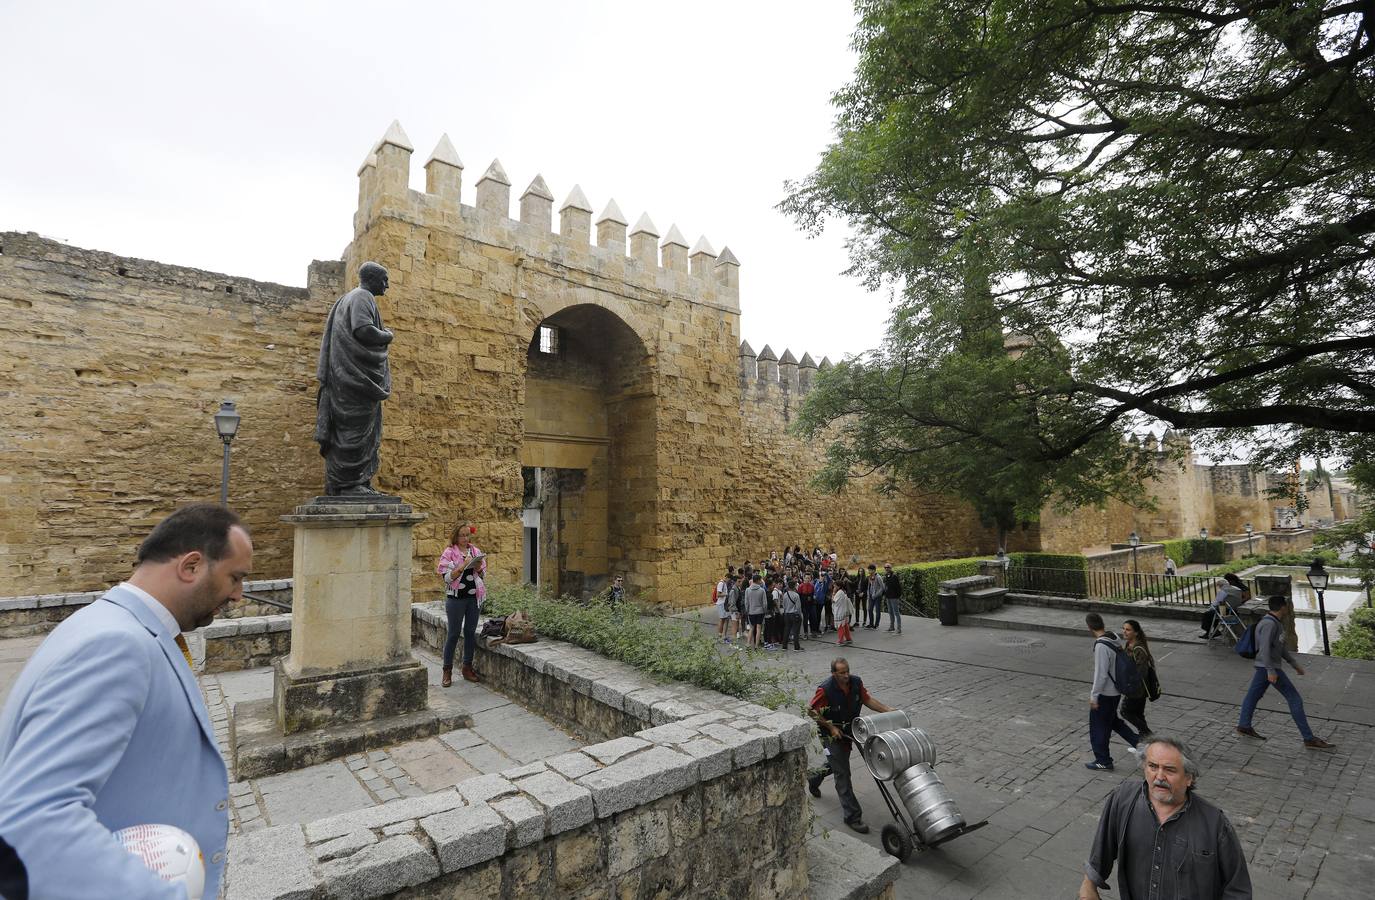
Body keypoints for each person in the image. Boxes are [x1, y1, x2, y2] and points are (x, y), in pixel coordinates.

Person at [0, 504, 252, 898]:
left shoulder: (111, 626)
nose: (238, 595)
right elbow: (34, 817)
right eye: (235, 578)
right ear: (191, 566)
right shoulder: (116, 645)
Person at [1079, 734, 1252, 899]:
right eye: (1153, 767)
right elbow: (1102, 850)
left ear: (1189, 778)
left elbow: (1237, 889)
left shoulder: (1214, 823)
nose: (1159, 777)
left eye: (1169, 770)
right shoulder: (1123, 798)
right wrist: (1088, 886)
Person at [314, 261, 394, 496]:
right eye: (384, 279)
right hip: (355, 381)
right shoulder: (363, 297)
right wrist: (388, 335)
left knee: (348, 431)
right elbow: (363, 330)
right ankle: (350, 484)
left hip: (346, 377)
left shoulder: (347, 298)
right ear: (372, 278)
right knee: (355, 431)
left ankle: (350, 483)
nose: (387, 285)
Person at [807, 658, 895, 834]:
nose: (846, 675)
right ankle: (852, 816)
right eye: (842, 673)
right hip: (830, 735)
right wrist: (831, 727)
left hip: (849, 731)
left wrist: (887, 711)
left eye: (847, 671)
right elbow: (811, 710)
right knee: (843, 774)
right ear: (834, 673)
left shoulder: (856, 682)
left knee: (837, 764)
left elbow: (867, 700)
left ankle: (814, 778)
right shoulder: (825, 689)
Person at [1236, 595, 1336, 749]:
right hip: (1268, 667)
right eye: (1287, 606)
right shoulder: (1270, 624)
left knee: (1253, 696)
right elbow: (1264, 649)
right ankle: (1308, 738)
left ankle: (1244, 725)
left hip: (1265, 667)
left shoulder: (1274, 622)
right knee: (1294, 699)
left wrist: (1293, 664)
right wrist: (1271, 670)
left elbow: (1279, 647)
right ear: (1283, 607)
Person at [1085, 613, 1140, 770]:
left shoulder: (1101, 645)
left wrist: (1094, 696)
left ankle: (1103, 760)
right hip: (1116, 691)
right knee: (1113, 721)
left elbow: (1101, 674)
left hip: (1105, 693)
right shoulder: (1113, 637)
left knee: (1098, 727)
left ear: (1089, 627)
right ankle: (1140, 744)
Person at [436, 522, 487, 686]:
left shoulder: (475, 551)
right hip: (456, 600)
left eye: (467, 535)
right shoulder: (449, 552)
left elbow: (482, 575)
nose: (465, 538)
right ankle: (447, 670)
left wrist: (478, 568)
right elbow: (447, 578)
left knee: (470, 633)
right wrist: (464, 565)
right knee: (453, 633)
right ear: (456, 536)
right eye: (462, 535)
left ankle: (467, 667)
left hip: (474, 599)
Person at [1119, 619, 1154, 737]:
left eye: (1128, 630)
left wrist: (1130, 685)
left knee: (1125, 712)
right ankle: (1147, 740)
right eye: (1123, 629)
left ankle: (1149, 735)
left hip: (1137, 689)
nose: (1124, 632)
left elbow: (1141, 671)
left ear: (1136, 632)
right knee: (1138, 714)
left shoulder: (1138, 648)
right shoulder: (1129, 644)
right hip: (1135, 688)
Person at [1200, 573, 1251, 639]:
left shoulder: (1223, 591)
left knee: (1208, 614)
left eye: (1218, 586)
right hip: (1235, 611)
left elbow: (1216, 602)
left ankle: (1208, 632)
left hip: (1227, 613)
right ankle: (1216, 630)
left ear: (1220, 585)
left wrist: (1210, 608)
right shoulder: (1237, 589)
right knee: (1214, 614)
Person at [743, 573, 769, 648]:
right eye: (760, 580)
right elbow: (764, 603)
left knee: (751, 628)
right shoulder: (762, 590)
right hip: (760, 611)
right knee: (759, 628)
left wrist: (747, 610)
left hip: (751, 611)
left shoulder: (747, 590)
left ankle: (748, 644)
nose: (761, 581)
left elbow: (746, 602)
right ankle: (756, 645)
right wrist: (764, 611)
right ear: (757, 580)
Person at [781, 579, 803, 652]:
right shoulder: (796, 595)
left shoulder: (785, 594)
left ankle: (784, 646)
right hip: (794, 614)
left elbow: (783, 605)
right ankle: (796, 647)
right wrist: (799, 615)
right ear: (794, 587)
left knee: (786, 630)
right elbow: (798, 607)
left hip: (787, 614)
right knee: (796, 631)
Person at [883, 562, 903, 633]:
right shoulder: (886, 576)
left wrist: (898, 596)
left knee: (896, 612)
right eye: (885, 567)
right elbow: (886, 587)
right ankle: (892, 627)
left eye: (888, 567)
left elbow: (898, 587)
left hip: (894, 597)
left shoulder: (894, 576)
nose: (886, 569)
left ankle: (899, 628)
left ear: (890, 568)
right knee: (890, 612)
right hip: (888, 597)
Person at [866, 565, 885, 629]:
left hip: (877, 596)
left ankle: (876, 625)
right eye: (868, 570)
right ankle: (871, 623)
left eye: (870, 570)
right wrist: (869, 594)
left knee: (877, 610)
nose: (868, 571)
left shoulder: (878, 577)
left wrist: (876, 594)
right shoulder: (869, 577)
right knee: (869, 609)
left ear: (873, 570)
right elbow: (870, 586)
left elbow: (882, 587)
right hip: (871, 595)